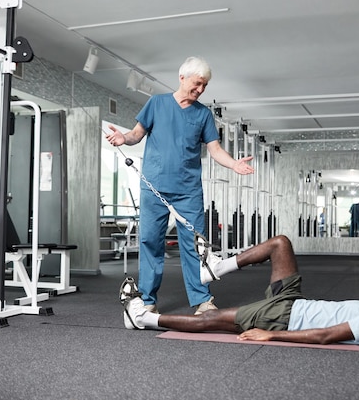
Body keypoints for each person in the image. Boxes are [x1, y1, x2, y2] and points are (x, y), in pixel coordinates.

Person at [105, 57, 254, 315]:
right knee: (150, 241)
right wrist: (122, 138)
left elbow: (215, 149)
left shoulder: (203, 115)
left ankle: (201, 300)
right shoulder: (157, 104)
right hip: (153, 187)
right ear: (182, 78)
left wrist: (233, 165)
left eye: (204, 86)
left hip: (188, 191)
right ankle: (148, 299)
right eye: (197, 84)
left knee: (195, 244)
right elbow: (135, 134)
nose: (200, 90)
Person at [120, 235, 359, 345]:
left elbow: (324, 336)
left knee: (212, 319)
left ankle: (144, 320)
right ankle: (216, 268)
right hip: (293, 301)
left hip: (284, 316)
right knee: (280, 244)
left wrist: (271, 334)